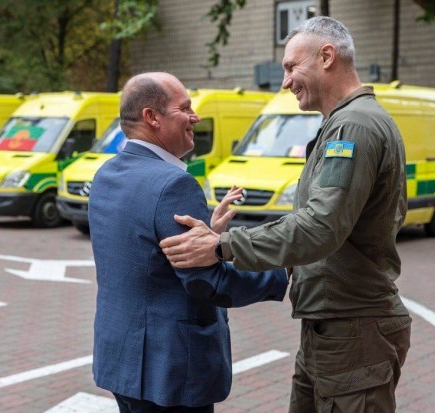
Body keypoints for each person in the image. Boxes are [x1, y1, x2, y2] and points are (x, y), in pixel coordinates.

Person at [160, 17, 411, 413]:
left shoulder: (354, 126)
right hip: (333, 328)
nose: (285, 82)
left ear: (326, 57)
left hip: (353, 332)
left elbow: (320, 227)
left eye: (292, 66)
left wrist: (222, 246)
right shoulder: (344, 123)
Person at [88, 72, 288, 413]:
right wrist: (281, 271)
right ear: (152, 117)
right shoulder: (173, 184)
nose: (195, 117)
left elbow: (144, 252)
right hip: (170, 371)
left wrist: (210, 234)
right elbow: (206, 283)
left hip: (121, 360)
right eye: (185, 108)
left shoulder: (106, 173)